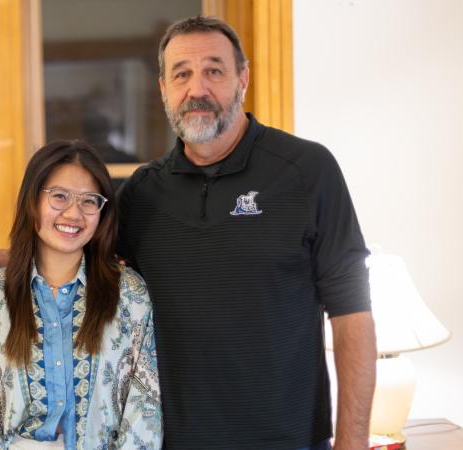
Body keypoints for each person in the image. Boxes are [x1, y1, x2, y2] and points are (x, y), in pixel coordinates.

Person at [115, 16, 377, 450]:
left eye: (214, 71)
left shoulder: (308, 171)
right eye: (182, 74)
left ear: (243, 79)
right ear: (163, 89)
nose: (197, 89)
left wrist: (352, 443)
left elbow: (353, 317)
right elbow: (73, 270)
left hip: (289, 441)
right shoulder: (140, 194)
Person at [0, 141, 162, 449]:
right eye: (59, 196)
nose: (74, 214)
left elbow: (144, 408)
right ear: (32, 202)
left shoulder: (129, 296)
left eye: (89, 201)